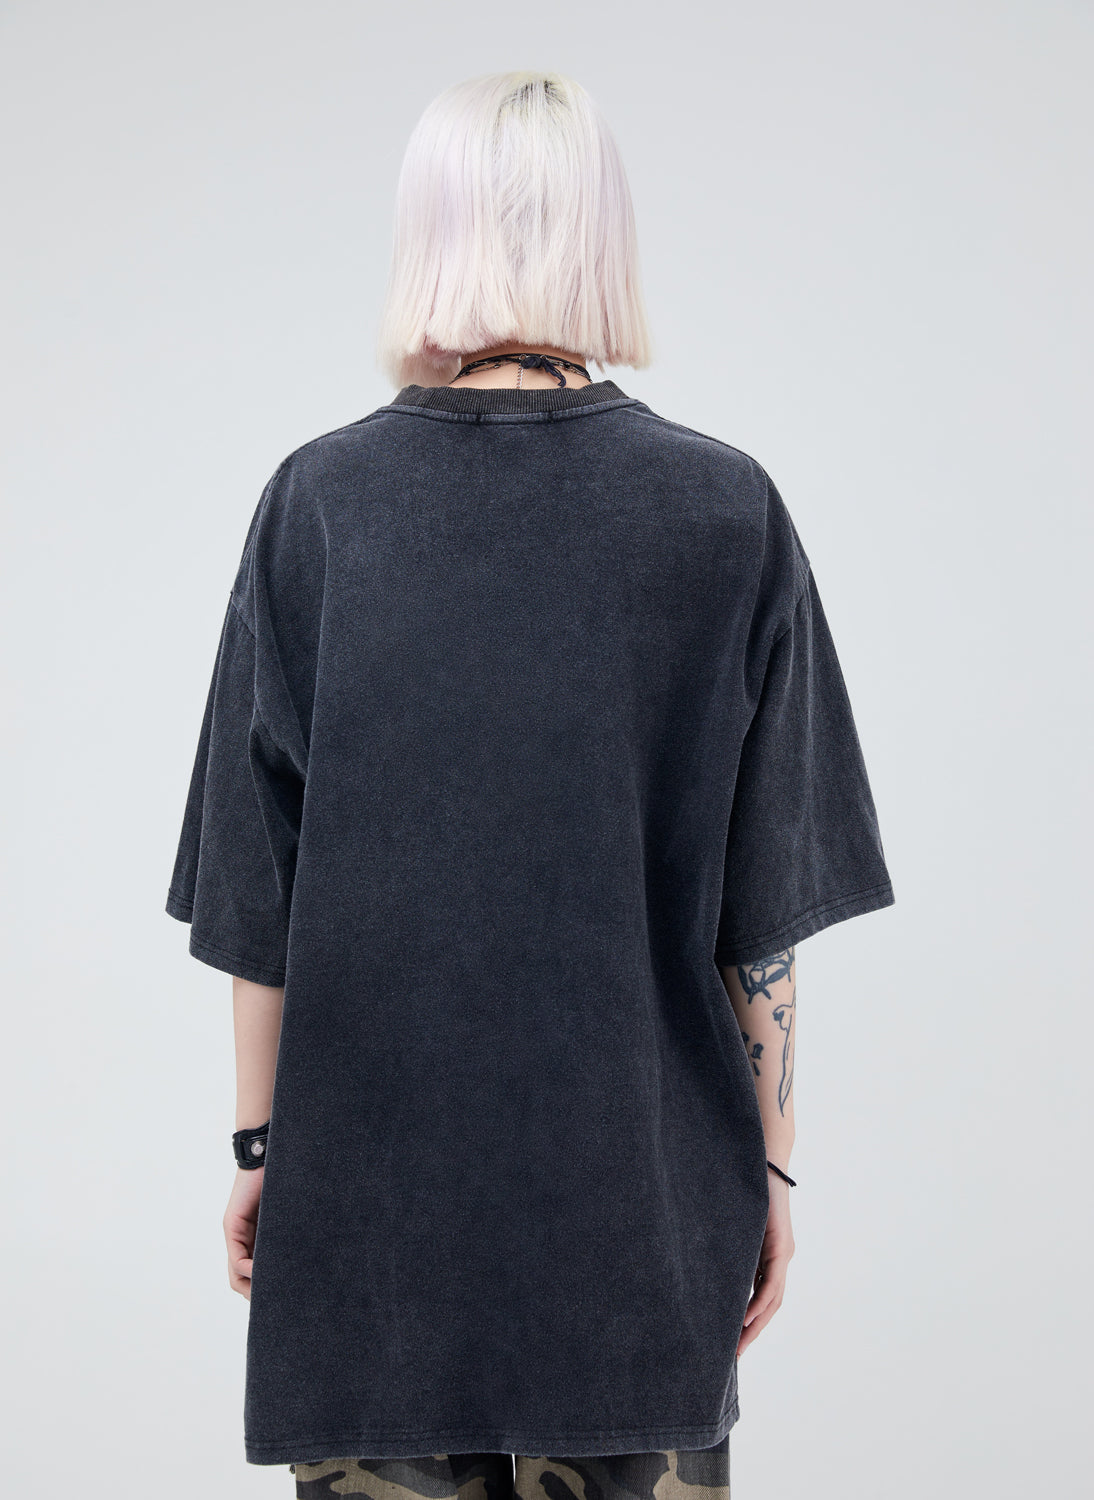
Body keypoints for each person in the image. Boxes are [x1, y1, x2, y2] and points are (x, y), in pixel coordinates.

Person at [165, 70, 895, 1499]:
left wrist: (260, 1145)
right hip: (640, 1223)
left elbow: (262, 894)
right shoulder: (723, 510)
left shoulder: (318, 507)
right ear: (604, 236)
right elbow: (762, 916)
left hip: (367, 1232)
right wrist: (772, 1169)